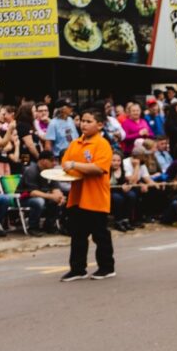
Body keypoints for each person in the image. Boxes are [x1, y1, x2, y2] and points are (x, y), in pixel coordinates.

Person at [61, 108, 115, 282]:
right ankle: (77, 269)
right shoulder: (75, 143)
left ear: (99, 125)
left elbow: (99, 168)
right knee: (77, 235)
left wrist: (76, 165)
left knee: (100, 235)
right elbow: (65, 164)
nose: (83, 124)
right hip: (77, 196)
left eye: (88, 121)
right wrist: (73, 166)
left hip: (96, 196)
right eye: (82, 121)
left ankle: (106, 267)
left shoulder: (102, 144)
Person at [17, 150, 65, 235]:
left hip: (42, 196)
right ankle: (33, 227)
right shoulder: (31, 171)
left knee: (59, 199)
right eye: (51, 160)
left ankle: (49, 226)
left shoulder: (50, 172)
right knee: (39, 201)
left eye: (55, 160)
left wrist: (59, 196)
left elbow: (55, 188)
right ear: (43, 161)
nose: (54, 163)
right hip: (25, 199)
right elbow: (32, 193)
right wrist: (52, 196)